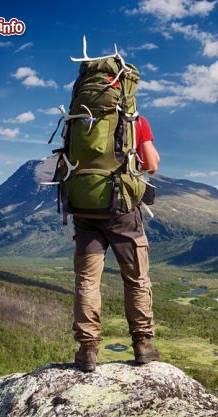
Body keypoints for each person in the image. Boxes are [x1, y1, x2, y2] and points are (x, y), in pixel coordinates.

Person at [72, 115, 161, 372]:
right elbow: (152, 165)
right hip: (123, 212)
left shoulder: (78, 119)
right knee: (136, 279)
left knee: (87, 281)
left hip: (85, 211)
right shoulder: (136, 120)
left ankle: (87, 350)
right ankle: (143, 345)